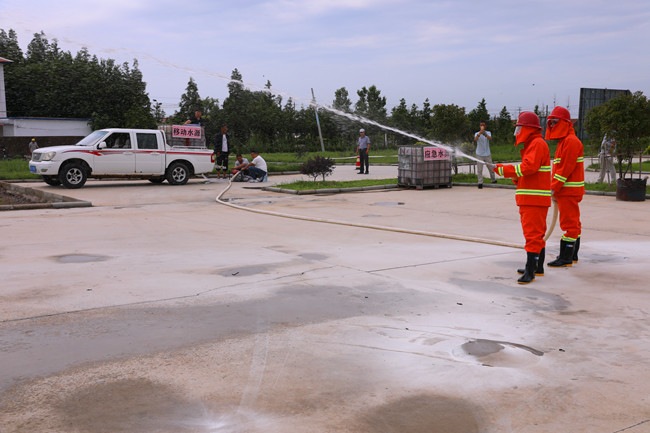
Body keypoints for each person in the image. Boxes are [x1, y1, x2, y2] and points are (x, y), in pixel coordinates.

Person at [493, 112, 551, 284]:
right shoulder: (534, 144)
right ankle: (537, 267)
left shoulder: (537, 144)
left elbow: (529, 167)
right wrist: (516, 177)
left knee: (532, 235)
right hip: (532, 198)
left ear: (527, 129)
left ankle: (530, 271)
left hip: (533, 199)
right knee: (536, 235)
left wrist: (505, 170)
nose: (517, 133)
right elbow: (530, 171)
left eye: (519, 128)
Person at [545, 106, 585, 268]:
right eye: (551, 123)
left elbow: (565, 168)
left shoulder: (570, 142)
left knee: (569, 224)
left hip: (568, 190)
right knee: (573, 222)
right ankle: (572, 255)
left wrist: (554, 187)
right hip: (566, 190)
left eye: (555, 122)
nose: (552, 126)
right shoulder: (565, 141)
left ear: (565, 123)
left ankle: (566, 257)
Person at [473, 121, 496, 188]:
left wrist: (485, 134)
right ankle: (480, 183)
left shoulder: (488, 132)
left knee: (491, 168)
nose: (482, 126)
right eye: (481, 125)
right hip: (479, 154)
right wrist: (480, 133)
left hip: (487, 153)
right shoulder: (477, 133)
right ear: (479, 126)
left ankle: (493, 180)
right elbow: (475, 139)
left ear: (485, 126)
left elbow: (490, 138)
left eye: (483, 125)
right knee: (479, 169)